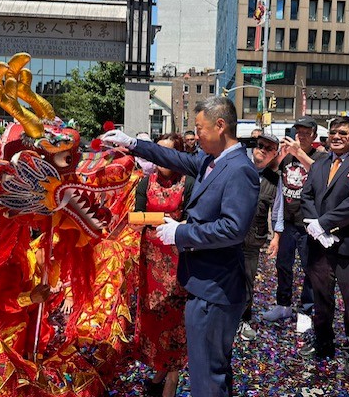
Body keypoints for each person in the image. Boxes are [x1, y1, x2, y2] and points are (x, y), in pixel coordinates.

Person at [102, 96, 259, 397]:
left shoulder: (239, 170)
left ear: (220, 125)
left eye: (200, 128)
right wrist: (131, 143)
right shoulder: (209, 162)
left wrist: (183, 231)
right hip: (195, 278)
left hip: (216, 287)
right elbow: (171, 158)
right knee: (210, 368)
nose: (196, 135)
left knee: (206, 374)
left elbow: (233, 229)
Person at [299, 116, 349, 378]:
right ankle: (323, 343)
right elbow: (307, 194)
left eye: (342, 132)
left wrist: (324, 224)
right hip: (319, 245)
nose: (336, 136)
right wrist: (314, 225)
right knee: (322, 298)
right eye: (333, 132)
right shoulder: (319, 163)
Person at [134, 132, 194, 397]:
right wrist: (168, 218)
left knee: (177, 320)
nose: (160, 160)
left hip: (179, 259)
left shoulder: (189, 182)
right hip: (151, 259)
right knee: (155, 317)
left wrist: (169, 222)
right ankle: (161, 371)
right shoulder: (145, 183)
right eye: (157, 153)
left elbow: (193, 222)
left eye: (167, 153)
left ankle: (171, 377)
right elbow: (135, 218)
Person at [266, 116, 323, 332]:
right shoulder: (287, 158)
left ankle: (306, 310)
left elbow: (320, 175)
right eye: (298, 132)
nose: (301, 136)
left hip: (309, 222)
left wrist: (298, 153)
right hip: (288, 220)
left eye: (306, 133)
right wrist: (280, 152)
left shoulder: (320, 156)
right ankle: (283, 304)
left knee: (310, 268)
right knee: (283, 265)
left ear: (314, 136)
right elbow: (273, 175)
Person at [238, 132, 279, 341]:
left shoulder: (275, 180)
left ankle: (244, 319)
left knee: (247, 280)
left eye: (268, 148)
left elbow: (278, 209)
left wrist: (277, 236)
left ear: (274, 155)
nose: (262, 149)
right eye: (260, 145)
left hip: (253, 239)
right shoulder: (239, 168)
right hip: (228, 236)